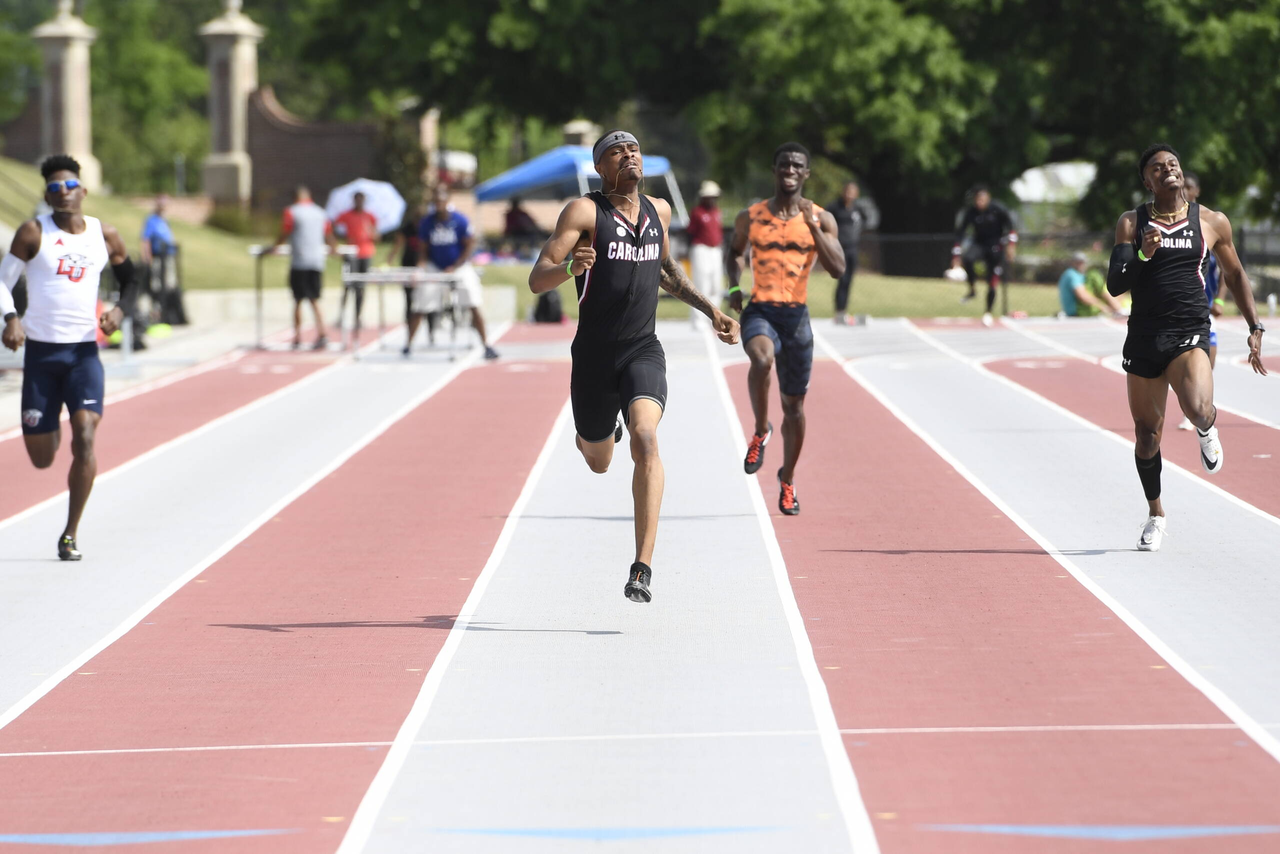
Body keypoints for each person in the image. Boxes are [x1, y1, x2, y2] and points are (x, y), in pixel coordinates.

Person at [528, 129, 740, 602]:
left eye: (635, 149)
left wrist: (713, 311)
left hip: (642, 348)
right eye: (616, 152)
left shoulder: (659, 211)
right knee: (600, 461)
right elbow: (536, 278)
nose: (629, 156)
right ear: (600, 168)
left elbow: (666, 272)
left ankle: (641, 567)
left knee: (647, 438)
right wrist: (569, 269)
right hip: (594, 358)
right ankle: (592, 434)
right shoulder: (584, 212)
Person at [1105, 143, 1266, 551]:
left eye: (1172, 164)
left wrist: (1254, 325)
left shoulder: (1211, 221)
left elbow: (1234, 273)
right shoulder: (1131, 222)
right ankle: (1156, 514)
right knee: (1147, 435)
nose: (1167, 171)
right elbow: (1115, 284)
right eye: (1157, 168)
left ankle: (1207, 426)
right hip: (1143, 335)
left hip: (1189, 330)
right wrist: (1143, 252)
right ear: (1147, 180)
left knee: (1195, 407)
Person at [0, 155, 139, 561]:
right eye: (55, 189)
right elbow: (2, 282)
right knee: (42, 459)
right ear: (47, 195)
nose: (64, 194)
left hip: (83, 354)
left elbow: (131, 281)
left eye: (70, 186)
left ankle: (70, 533)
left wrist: (118, 311)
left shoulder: (104, 234)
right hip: (42, 357)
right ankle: (51, 423)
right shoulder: (32, 232)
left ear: (83, 190)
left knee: (86, 435)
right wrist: (10, 318)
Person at [726, 142, 845, 516]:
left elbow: (839, 267)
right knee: (761, 360)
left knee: (794, 407)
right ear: (774, 169)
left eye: (797, 165)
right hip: (761, 307)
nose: (790, 170)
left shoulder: (821, 218)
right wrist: (733, 288)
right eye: (784, 164)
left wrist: (813, 227)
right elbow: (734, 252)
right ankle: (761, 429)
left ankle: (788, 478)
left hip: (796, 318)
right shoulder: (752, 215)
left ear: (806, 173)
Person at [418, 184, 498, 360]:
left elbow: (469, 244)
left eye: (441, 200)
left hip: (459, 266)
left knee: (472, 300)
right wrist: (422, 265)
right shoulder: (427, 222)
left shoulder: (460, 220)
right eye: (435, 200)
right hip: (435, 266)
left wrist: (455, 266)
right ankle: (408, 344)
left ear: (447, 201)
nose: (438, 203)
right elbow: (423, 248)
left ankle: (487, 344)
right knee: (421, 301)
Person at [1177, 173, 1225, 430]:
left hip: (1205, 311)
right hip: (1179, 313)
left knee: (1207, 363)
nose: (1184, 190)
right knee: (1184, 366)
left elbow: (1230, 271)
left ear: (1197, 191)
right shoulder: (1171, 223)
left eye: (1189, 187)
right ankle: (1190, 410)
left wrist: (1220, 300)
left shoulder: (1208, 224)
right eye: (1182, 186)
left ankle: (1202, 411)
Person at [270, 186, 336, 350]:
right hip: (316, 261)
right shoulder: (320, 212)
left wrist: (275, 246)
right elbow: (328, 234)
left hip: (300, 262)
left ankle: (298, 336)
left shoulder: (292, 212)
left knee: (298, 300)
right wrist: (334, 248)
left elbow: (285, 232)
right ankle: (322, 334)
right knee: (315, 300)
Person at [950, 185, 1018, 326]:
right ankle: (972, 289)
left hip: (995, 246)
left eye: (982, 199)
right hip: (979, 244)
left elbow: (1011, 227)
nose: (979, 203)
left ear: (988, 199)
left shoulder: (998, 209)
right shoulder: (971, 212)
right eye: (977, 200)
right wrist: (956, 252)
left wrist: (1011, 246)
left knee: (992, 282)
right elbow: (961, 232)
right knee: (968, 259)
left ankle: (988, 312)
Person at [388, 201, 439, 351]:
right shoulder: (407, 229)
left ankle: (431, 331)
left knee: (429, 301)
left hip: (425, 268)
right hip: (408, 268)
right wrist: (389, 260)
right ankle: (409, 332)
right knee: (409, 301)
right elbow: (397, 245)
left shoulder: (430, 229)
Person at [828, 179, 880, 325]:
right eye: (847, 191)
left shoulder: (857, 209)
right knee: (842, 279)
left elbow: (865, 221)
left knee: (849, 280)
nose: (850, 194)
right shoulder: (835, 207)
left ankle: (844, 310)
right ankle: (839, 311)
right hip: (839, 249)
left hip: (853, 248)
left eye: (853, 192)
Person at [333, 191, 379, 346]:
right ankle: (342, 315)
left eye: (362, 200)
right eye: (357, 199)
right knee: (347, 286)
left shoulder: (370, 216)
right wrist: (340, 242)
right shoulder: (346, 215)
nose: (359, 202)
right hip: (351, 253)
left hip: (365, 253)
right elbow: (333, 227)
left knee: (361, 287)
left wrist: (371, 232)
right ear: (354, 200)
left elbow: (377, 237)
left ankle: (358, 317)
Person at [686, 180, 724, 326]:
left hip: (715, 250)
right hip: (701, 249)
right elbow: (690, 233)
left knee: (716, 285)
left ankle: (714, 317)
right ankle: (698, 320)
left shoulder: (716, 212)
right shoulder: (697, 212)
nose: (713, 200)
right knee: (702, 285)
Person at [140, 193, 182, 324]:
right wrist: (147, 257)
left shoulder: (165, 220)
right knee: (157, 286)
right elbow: (145, 240)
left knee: (170, 284)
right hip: (158, 257)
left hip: (168, 257)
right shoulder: (152, 220)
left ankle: (168, 313)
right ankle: (157, 315)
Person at [1058, 251, 1125, 317]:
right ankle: (1118, 308)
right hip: (1076, 313)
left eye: (1082, 262)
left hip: (1081, 311)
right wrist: (1102, 307)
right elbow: (1082, 296)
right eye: (1078, 262)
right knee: (1097, 280)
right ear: (1072, 262)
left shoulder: (1079, 275)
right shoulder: (1071, 274)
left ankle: (1118, 307)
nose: (1081, 264)